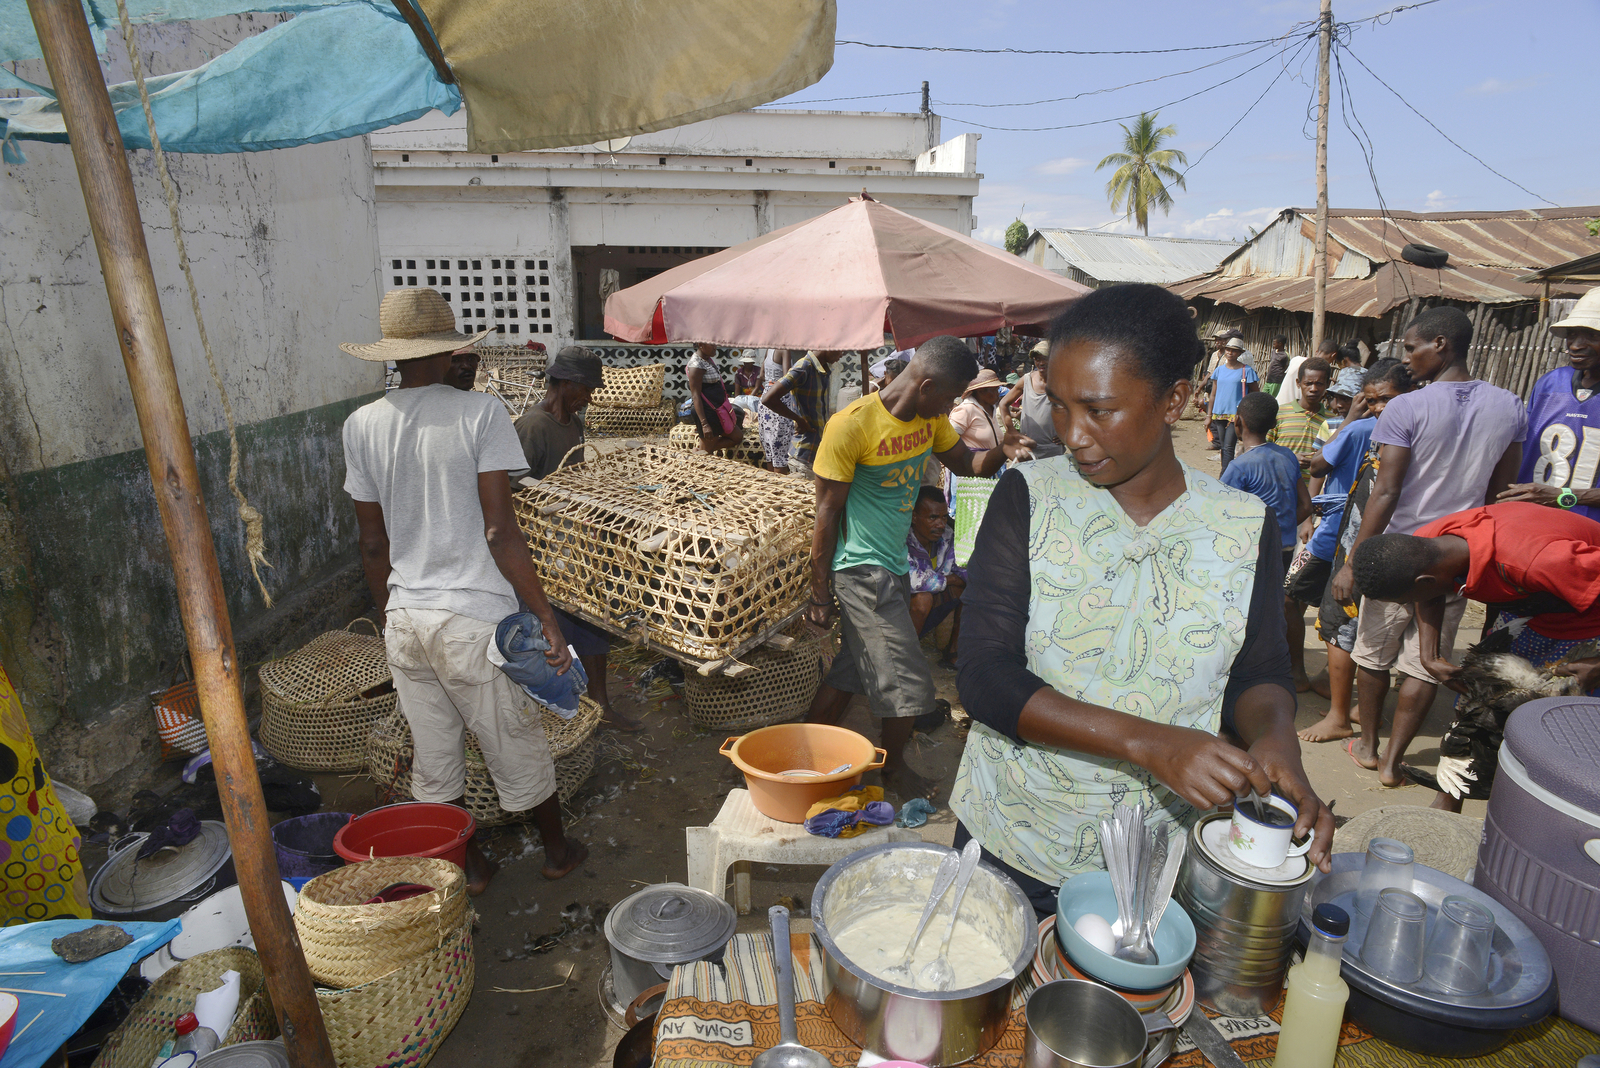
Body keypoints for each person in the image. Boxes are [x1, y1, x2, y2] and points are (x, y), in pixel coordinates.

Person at [950, 284, 1333, 916]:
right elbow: (985, 677)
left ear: (1174, 401)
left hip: (1157, 859)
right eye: (1060, 406)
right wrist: (1150, 743)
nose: (1073, 435)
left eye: (1098, 410)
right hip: (1015, 836)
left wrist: (1275, 741)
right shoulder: (1029, 497)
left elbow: (1259, 671)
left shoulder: (1242, 525)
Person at [341, 288, 586, 892]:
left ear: (393, 355)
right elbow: (501, 530)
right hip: (472, 619)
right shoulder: (479, 414)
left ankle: (470, 867)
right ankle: (557, 851)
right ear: (449, 351)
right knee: (514, 743)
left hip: (407, 619)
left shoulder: (361, 424)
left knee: (436, 758)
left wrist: (390, 610)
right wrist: (546, 618)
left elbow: (373, 546)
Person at [805, 337, 1034, 799]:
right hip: (859, 570)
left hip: (893, 565)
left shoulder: (929, 420)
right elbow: (826, 518)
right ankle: (891, 772)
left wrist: (1002, 449)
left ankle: (800, 750)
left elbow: (969, 464)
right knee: (908, 681)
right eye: (951, 396)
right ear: (926, 385)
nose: (953, 407)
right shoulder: (851, 426)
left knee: (850, 672)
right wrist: (818, 594)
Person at [1329, 306, 1526, 787]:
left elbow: (1387, 492)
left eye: (1413, 347)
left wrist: (1353, 562)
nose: (1408, 358)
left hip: (1399, 556)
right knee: (1424, 661)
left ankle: (1371, 747)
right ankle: (1396, 763)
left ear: (1441, 343)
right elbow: (1499, 495)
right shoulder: (1509, 405)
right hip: (1458, 556)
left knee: (1373, 653)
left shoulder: (1405, 406)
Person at [1348, 501, 1600, 808]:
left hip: (1586, 628)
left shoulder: (1536, 560)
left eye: (1405, 600)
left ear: (1423, 583)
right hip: (1531, 614)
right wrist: (1429, 656)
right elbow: (1429, 594)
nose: (1409, 604)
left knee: (1560, 727)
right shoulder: (1430, 543)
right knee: (1479, 705)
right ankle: (1449, 801)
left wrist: (1595, 661)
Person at [513, 347, 643, 734]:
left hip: (574, 545)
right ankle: (555, 715)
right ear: (565, 382)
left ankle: (600, 706)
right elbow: (509, 492)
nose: (590, 396)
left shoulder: (573, 423)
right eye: (586, 388)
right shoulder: (533, 427)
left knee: (592, 621)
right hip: (540, 547)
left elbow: (576, 478)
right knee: (545, 629)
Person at [1299, 360, 1417, 743]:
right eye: (1372, 400)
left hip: (1361, 546)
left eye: (1386, 399)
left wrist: (1351, 562)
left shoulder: (1365, 430)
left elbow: (1320, 465)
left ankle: (1339, 716)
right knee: (1372, 635)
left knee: (1340, 626)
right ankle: (1361, 711)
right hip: (1370, 542)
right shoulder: (1399, 432)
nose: (1380, 407)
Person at [1498, 289, 1600, 522]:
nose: (1575, 345)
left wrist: (1565, 496)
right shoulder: (1551, 383)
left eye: (1591, 336)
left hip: (1589, 534)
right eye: (1572, 334)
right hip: (1531, 521)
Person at [1221, 393, 1310, 576]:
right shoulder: (1288, 456)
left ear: (1238, 421)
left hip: (1252, 552)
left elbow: (1220, 514)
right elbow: (1306, 506)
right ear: (1274, 424)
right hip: (1284, 549)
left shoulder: (1239, 467)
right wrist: (1280, 528)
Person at [762, 349, 845, 480]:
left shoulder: (823, 369)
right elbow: (768, 398)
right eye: (841, 350)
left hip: (815, 453)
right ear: (827, 346)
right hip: (804, 454)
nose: (842, 355)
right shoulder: (804, 367)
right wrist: (799, 420)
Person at [907, 486, 966, 667]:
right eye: (933, 518)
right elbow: (915, 582)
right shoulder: (903, 540)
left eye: (943, 517)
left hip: (934, 600)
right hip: (901, 611)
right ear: (914, 517)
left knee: (968, 589)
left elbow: (964, 570)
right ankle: (906, 656)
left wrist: (956, 579)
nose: (940, 524)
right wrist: (950, 579)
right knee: (922, 598)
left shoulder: (947, 535)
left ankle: (953, 650)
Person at [1200, 336, 1260, 473]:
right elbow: (1213, 394)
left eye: (1234, 350)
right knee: (1223, 446)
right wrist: (1209, 415)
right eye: (1228, 349)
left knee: (1228, 447)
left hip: (1236, 415)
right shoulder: (1219, 370)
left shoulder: (1247, 371)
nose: (1230, 352)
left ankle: (1225, 475)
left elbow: (1255, 394)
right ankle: (1228, 473)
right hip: (1219, 414)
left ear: (1240, 353)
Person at [999, 341, 1065, 459]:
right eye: (1037, 359)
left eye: (1045, 358)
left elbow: (1076, 410)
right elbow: (1003, 403)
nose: (1041, 362)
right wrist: (1012, 431)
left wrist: (1066, 434)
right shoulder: (1027, 379)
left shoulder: (1061, 383)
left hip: (1052, 448)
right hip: (1027, 448)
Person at [686, 342, 742, 453]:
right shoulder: (696, 365)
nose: (715, 347)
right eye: (712, 344)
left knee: (737, 437)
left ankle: (700, 451)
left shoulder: (707, 360)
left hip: (718, 411)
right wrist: (705, 424)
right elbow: (696, 396)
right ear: (701, 345)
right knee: (706, 451)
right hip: (708, 413)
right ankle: (700, 453)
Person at [949, 369, 1004, 452]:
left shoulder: (991, 408)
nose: (998, 393)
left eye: (997, 389)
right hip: (974, 463)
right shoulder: (965, 410)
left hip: (995, 462)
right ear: (980, 392)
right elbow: (949, 441)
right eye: (994, 390)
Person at [758, 349, 793, 474]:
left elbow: (762, 375)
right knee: (780, 452)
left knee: (770, 451)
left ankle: (771, 485)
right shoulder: (784, 350)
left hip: (765, 399)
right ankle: (780, 489)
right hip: (779, 401)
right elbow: (787, 378)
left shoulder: (769, 350)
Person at [1282, 338, 1337, 406]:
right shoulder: (1307, 368)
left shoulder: (1296, 360)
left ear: (1317, 351)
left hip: (1281, 404)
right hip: (1296, 410)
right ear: (1333, 355)